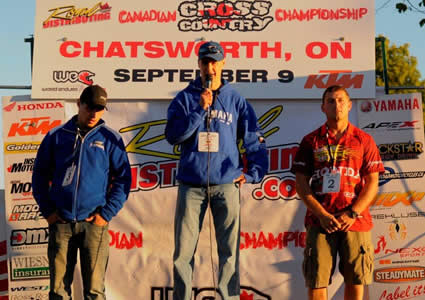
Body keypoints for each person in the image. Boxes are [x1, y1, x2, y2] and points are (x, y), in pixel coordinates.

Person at [165, 41, 268, 300]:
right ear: (198, 64)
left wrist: (253, 172)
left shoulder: (236, 99)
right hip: (191, 184)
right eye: (205, 61)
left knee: (230, 252)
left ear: (223, 63)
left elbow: (253, 137)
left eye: (215, 61)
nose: (210, 67)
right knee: (183, 254)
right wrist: (199, 109)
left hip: (226, 183)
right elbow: (173, 136)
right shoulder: (185, 98)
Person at [32, 85, 132, 299]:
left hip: (94, 225)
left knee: (95, 292)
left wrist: (105, 215)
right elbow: (39, 175)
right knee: (58, 292)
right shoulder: (56, 136)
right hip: (61, 223)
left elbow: (124, 179)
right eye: (90, 107)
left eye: (100, 109)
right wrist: (49, 211)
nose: (94, 113)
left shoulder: (110, 138)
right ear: (79, 104)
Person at [291, 85, 385, 300]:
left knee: (356, 280)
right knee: (316, 280)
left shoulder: (364, 140)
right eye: (331, 101)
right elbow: (301, 184)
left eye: (341, 100)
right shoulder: (310, 141)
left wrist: (352, 213)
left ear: (350, 105)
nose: (337, 105)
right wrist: (322, 215)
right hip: (320, 222)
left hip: (355, 220)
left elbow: (372, 182)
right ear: (323, 107)